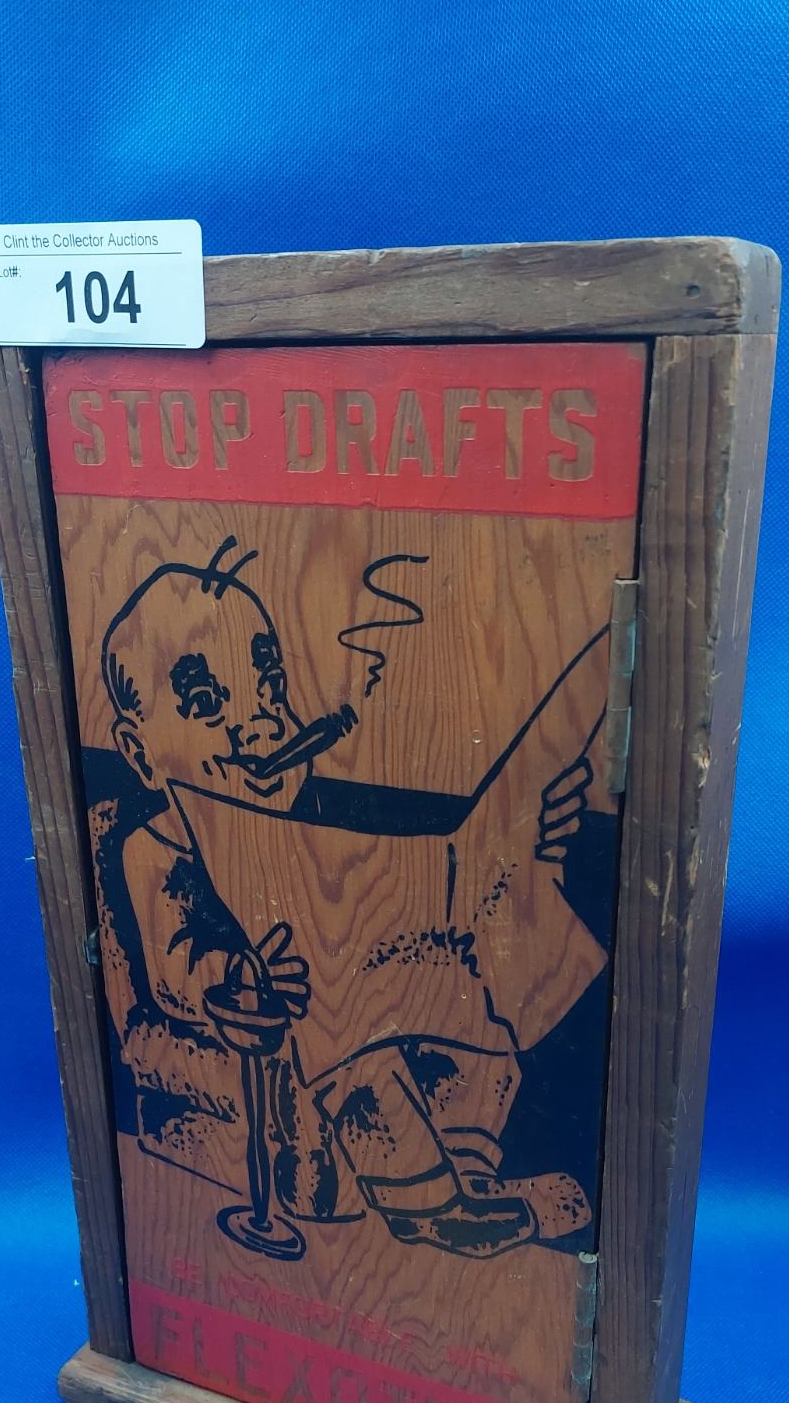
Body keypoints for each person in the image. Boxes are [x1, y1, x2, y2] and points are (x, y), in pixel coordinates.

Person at [91, 536, 599, 1257]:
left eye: (270, 688)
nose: (262, 722)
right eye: (206, 703)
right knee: (341, 1016)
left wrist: (514, 852)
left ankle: (467, 1173)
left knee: (466, 981)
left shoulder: (294, 836)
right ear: (140, 753)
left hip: (340, 1025)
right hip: (274, 1052)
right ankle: (426, 1202)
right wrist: (246, 974)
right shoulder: (153, 848)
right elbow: (180, 972)